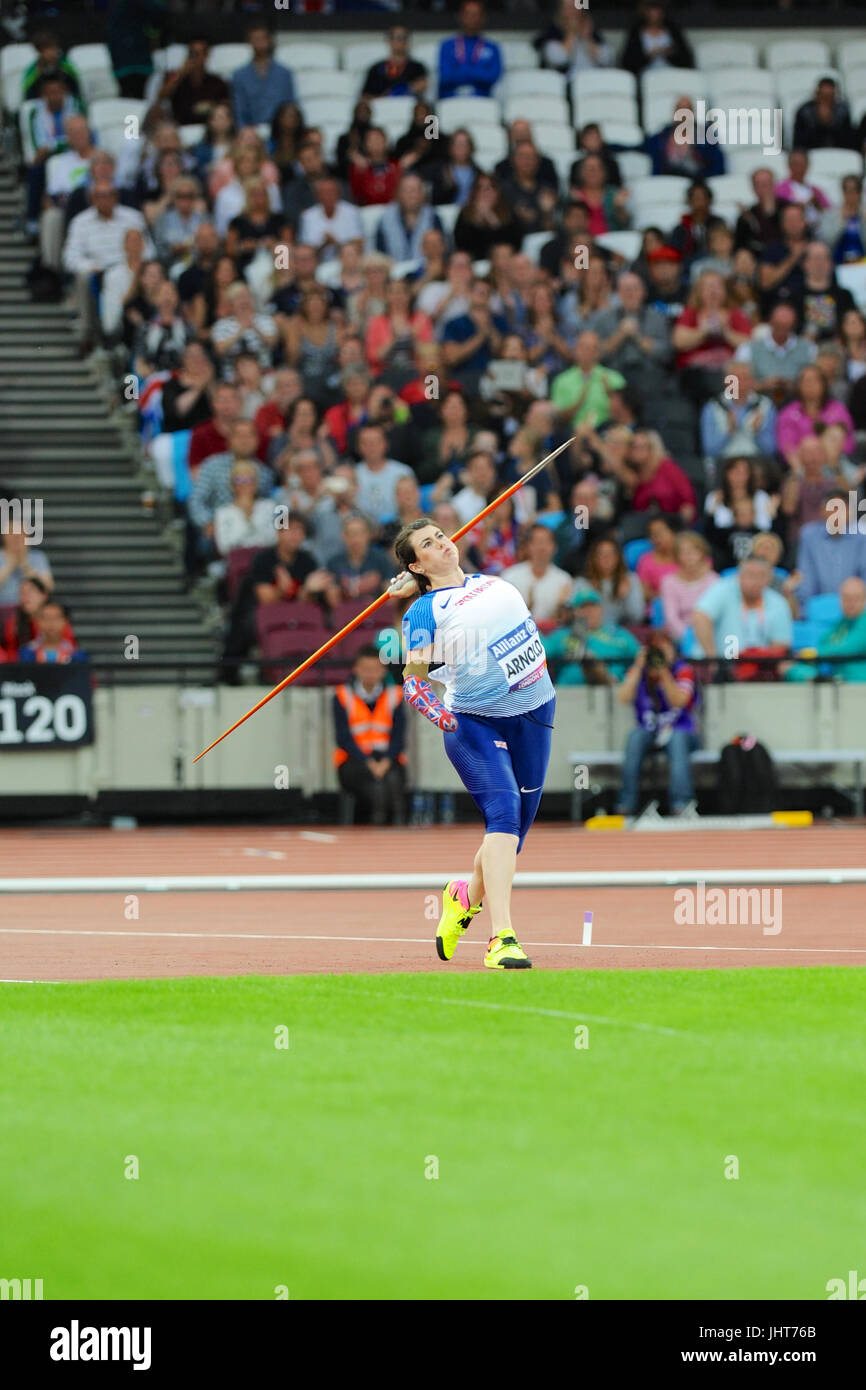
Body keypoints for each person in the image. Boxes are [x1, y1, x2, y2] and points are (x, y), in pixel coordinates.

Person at [390, 517, 557, 970]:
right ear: (416, 565)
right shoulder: (422, 613)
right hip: (474, 723)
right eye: (428, 544)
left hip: (536, 714)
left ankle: (463, 896)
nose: (443, 543)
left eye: (441, 535)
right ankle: (502, 938)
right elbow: (413, 680)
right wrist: (439, 715)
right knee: (502, 815)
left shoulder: (495, 583)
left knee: (514, 835)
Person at [616, 629, 700, 817]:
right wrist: (639, 667)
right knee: (634, 737)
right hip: (649, 731)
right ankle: (626, 804)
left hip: (683, 731)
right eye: (656, 649)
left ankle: (681, 803)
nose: (660, 653)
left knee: (677, 739)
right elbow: (623, 697)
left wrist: (664, 672)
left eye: (664, 648)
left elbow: (678, 701)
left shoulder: (683, 670)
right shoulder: (640, 672)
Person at [332, 645, 407, 825]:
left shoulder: (394, 695)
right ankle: (376, 825)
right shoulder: (342, 695)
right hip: (354, 760)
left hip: (388, 758)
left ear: (383, 671)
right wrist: (370, 763)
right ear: (356, 670)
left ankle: (399, 828)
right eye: (366, 669)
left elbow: (399, 736)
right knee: (376, 788)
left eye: (375, 669)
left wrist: (385, 762)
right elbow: (343, 738)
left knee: (393, 780)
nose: (370, 674)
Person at [691, 555, 793, 664]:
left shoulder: (778, 602)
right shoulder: (723, 589)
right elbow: (700, 617)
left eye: (761, 575)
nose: (756, 581)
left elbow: (780, 645)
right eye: (750, 575)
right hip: (719, 665)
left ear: (769, 578)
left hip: (759, 669)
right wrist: (712, 659)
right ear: (738, 576)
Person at [544, 587, 640, 685]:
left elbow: (640, 657)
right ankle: (594, 668)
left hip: (612, 691)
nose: (588, 612)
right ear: (574, 612)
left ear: (601, 609)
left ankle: (602, 674)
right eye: (583, 608)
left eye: (592, 607)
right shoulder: (562, 635)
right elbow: (540, 651)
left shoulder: (618, 633)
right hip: (571, 692)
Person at [501, 524, 574, 627]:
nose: (541, 547)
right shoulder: (510, 576)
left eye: (546, 542)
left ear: (554, 547)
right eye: (537, 542)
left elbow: (564, 621)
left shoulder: (564, 579)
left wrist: (561, 607)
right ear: (528, 547)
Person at [232, 22, 296, 129]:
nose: (259, 42)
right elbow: (239, 110)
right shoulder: (239, 75)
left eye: (262, 38)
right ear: (249, 42)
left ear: (269, 40)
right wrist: (245, 131)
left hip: (280, 131)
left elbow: (290, 104)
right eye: (255, 39)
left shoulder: (284, 73)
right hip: (251, 131)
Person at [438, 0, 503, 99]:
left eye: (475, 14)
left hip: (482, 100)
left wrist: (462, 70)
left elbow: (492, 76)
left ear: (483, 18)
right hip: (451, 99)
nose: (472, 18)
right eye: (468, 14)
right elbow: (446, 76)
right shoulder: (447, 46)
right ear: (460, 16)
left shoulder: (492, 47)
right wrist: (477, 72)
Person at [660, 531, 718, 642]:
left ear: (702, 554)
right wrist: (689, 638)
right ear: (677, 556)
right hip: (679, 637)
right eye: (684, 552)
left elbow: (716, 615)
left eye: (694, 551)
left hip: (710, 634)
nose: (689, 556)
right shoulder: (669, 582)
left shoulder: (714, 580)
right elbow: (671, 618)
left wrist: (704, 636)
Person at [621, 1, 694, 76]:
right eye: (651, 12)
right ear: (645, 13)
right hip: (646, 75)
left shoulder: (673, 30)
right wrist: (648, 55)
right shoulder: (636, 32)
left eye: (658, 12)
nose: (654, 16)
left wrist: (670, 53)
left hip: (672, 72)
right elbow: (628, 62)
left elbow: (686, 58)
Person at [362, 25, 428, 99]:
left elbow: (422, 86)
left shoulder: (417, 67)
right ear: (389, 41)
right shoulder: (376, 69)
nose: (401, 41)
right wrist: (386, 97)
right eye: (397, 38)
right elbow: (366, 95)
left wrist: (401, 91)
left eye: (404, 38)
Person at [19, 599, 83, 664]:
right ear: (37, 621)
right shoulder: (26, 653)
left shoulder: (75, 654)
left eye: (56, 618)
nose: (51, 623)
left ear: (65, 621)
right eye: (46, 618)